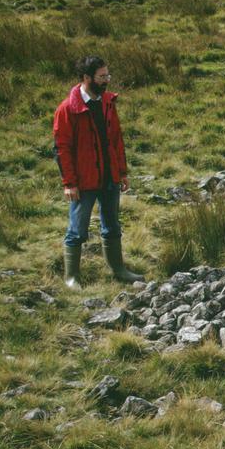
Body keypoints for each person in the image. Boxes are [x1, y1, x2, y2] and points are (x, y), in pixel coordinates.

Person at [52, 54, 145, 288]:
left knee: (112, 224)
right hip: (84, 181)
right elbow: (62, 148)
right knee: (77, 229)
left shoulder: (107, 103)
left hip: (109, 177)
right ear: (86, 78)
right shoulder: (67, 109)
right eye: (102, 77)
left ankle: (118, 269)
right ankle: (71, 277)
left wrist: (122, 172)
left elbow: (116, 140)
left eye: (108, 75)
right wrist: (69, 183)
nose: (107, 81)